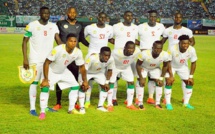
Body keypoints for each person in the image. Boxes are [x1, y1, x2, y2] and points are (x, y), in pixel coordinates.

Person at [22, 6, 62, 116]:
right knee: (34, 83)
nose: (46, 15)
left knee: (46, 83)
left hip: (48, 61)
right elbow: (24, 42)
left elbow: (58, 41)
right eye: (44, 13)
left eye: (48, 13)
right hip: (35, 59)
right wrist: (25, 58)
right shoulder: (32, 25)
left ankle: (45, 106)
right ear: (40, 14)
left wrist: (65, 52)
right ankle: (32, 108)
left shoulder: (53, 26)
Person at [39, 33, 89, 120]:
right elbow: (46, 63)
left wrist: (85, 80)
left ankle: (71, 109)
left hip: (63, 71)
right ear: (66, 41)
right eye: (71, 41)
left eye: (75, 41)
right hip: (51, 71)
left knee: (75, 86)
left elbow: (82, 66)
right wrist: (46, 79)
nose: (73, 43)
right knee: (45, 87)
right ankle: (43, 112)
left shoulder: (78, 52)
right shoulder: (57, 49)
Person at [53, 7, 89, 110]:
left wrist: (91, 45)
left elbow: (82, 39)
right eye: (70, 12)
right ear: (67, 13)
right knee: (59, 78)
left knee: (75, 78)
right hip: (62, 55)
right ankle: (58, 102)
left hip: (74, 56)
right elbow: (56, 36)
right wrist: (61, 47)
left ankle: (75, 102)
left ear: (76, 13)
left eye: (74, 12)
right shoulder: (60, 23)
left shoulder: (80, 25)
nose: (72, 14)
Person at [83, 12, 113, 108]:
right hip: (92, 55)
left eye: (104, 17)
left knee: (103, 78)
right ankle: (87, 101)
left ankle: (102, 101)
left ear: (106, 18)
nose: (102, 19)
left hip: (104, 56)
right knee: (89, 77)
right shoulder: (90, 28)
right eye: (101, 17)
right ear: (97, 17)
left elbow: (110, 39)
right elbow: (82, 38)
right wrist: (89, 46)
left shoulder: (109, 28)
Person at [136, 10, 165, 105]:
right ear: (148, 16)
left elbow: (165, 36)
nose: (153, 18)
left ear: (157, 17)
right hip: (144, 54)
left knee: (152, 77)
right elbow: (134, 38)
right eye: (151, 16)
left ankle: (150, 97)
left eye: (154, 16)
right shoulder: (141, 27)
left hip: (155, 55)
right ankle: (137, 98)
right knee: (140, 76)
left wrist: (159, 45)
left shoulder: (160, 26)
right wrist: (142, 45)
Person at [111, 11, 139, 105]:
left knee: (130, 78)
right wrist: (119, 46)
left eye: (131, 16)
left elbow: (135, 40)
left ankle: (129, 99)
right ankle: (113, 98)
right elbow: (109, 38)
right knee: (115, 79)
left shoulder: (135, 27)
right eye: (127, 15)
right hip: (118, 57)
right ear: (124, 16)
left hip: (130, 56)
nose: (129, 17)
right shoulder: (116, 26)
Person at [164, 35, 197, 110]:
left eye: (187, 43)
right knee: (169, 82)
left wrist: (191, 77)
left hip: (182, 67)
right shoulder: (172, 48)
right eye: (183, 43)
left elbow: (193, 63)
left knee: (189, 83)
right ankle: (168, 103)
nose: (185, 45)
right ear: (179, 43)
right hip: (171, 66)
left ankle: (186, 103)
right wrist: (171, 76)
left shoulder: (191, 49)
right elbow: (168, 62)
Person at [78, 47, 114, 113]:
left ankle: (100, 106)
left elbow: (110, 70)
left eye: (108, 55)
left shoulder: (111, 59)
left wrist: (107, 82)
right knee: (83, 87)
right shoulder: (92, 58)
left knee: (105, 87)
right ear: (100, 54)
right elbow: (84, 70)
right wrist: (85, 81)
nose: (107, 57)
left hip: (98, 73)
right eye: (105, 55)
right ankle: (81, 107)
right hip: (87, 72)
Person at [136, 41, 170, 110]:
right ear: (152, 48)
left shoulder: (165, 55)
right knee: (141, 82)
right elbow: (138, 65)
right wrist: (141, 77)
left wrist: (161, 77)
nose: (158, 50)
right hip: (143, 67)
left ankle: (157, 103)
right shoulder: (144, 54)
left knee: (159, 83)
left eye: (160, 48)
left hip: (155, 68)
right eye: (156, 48)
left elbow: (165, 66)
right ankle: (140, 103)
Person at [108, 41, 140, 110]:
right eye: (129, 48)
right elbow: (108, 59)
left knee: (131, 82)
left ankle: (129, 104)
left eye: (133, 49)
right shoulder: (115, 52)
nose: (131, 50)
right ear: (124, 48)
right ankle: (109, 104)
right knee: (111, 83)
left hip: (126, 67)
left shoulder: (137, 51)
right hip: (115, 67)